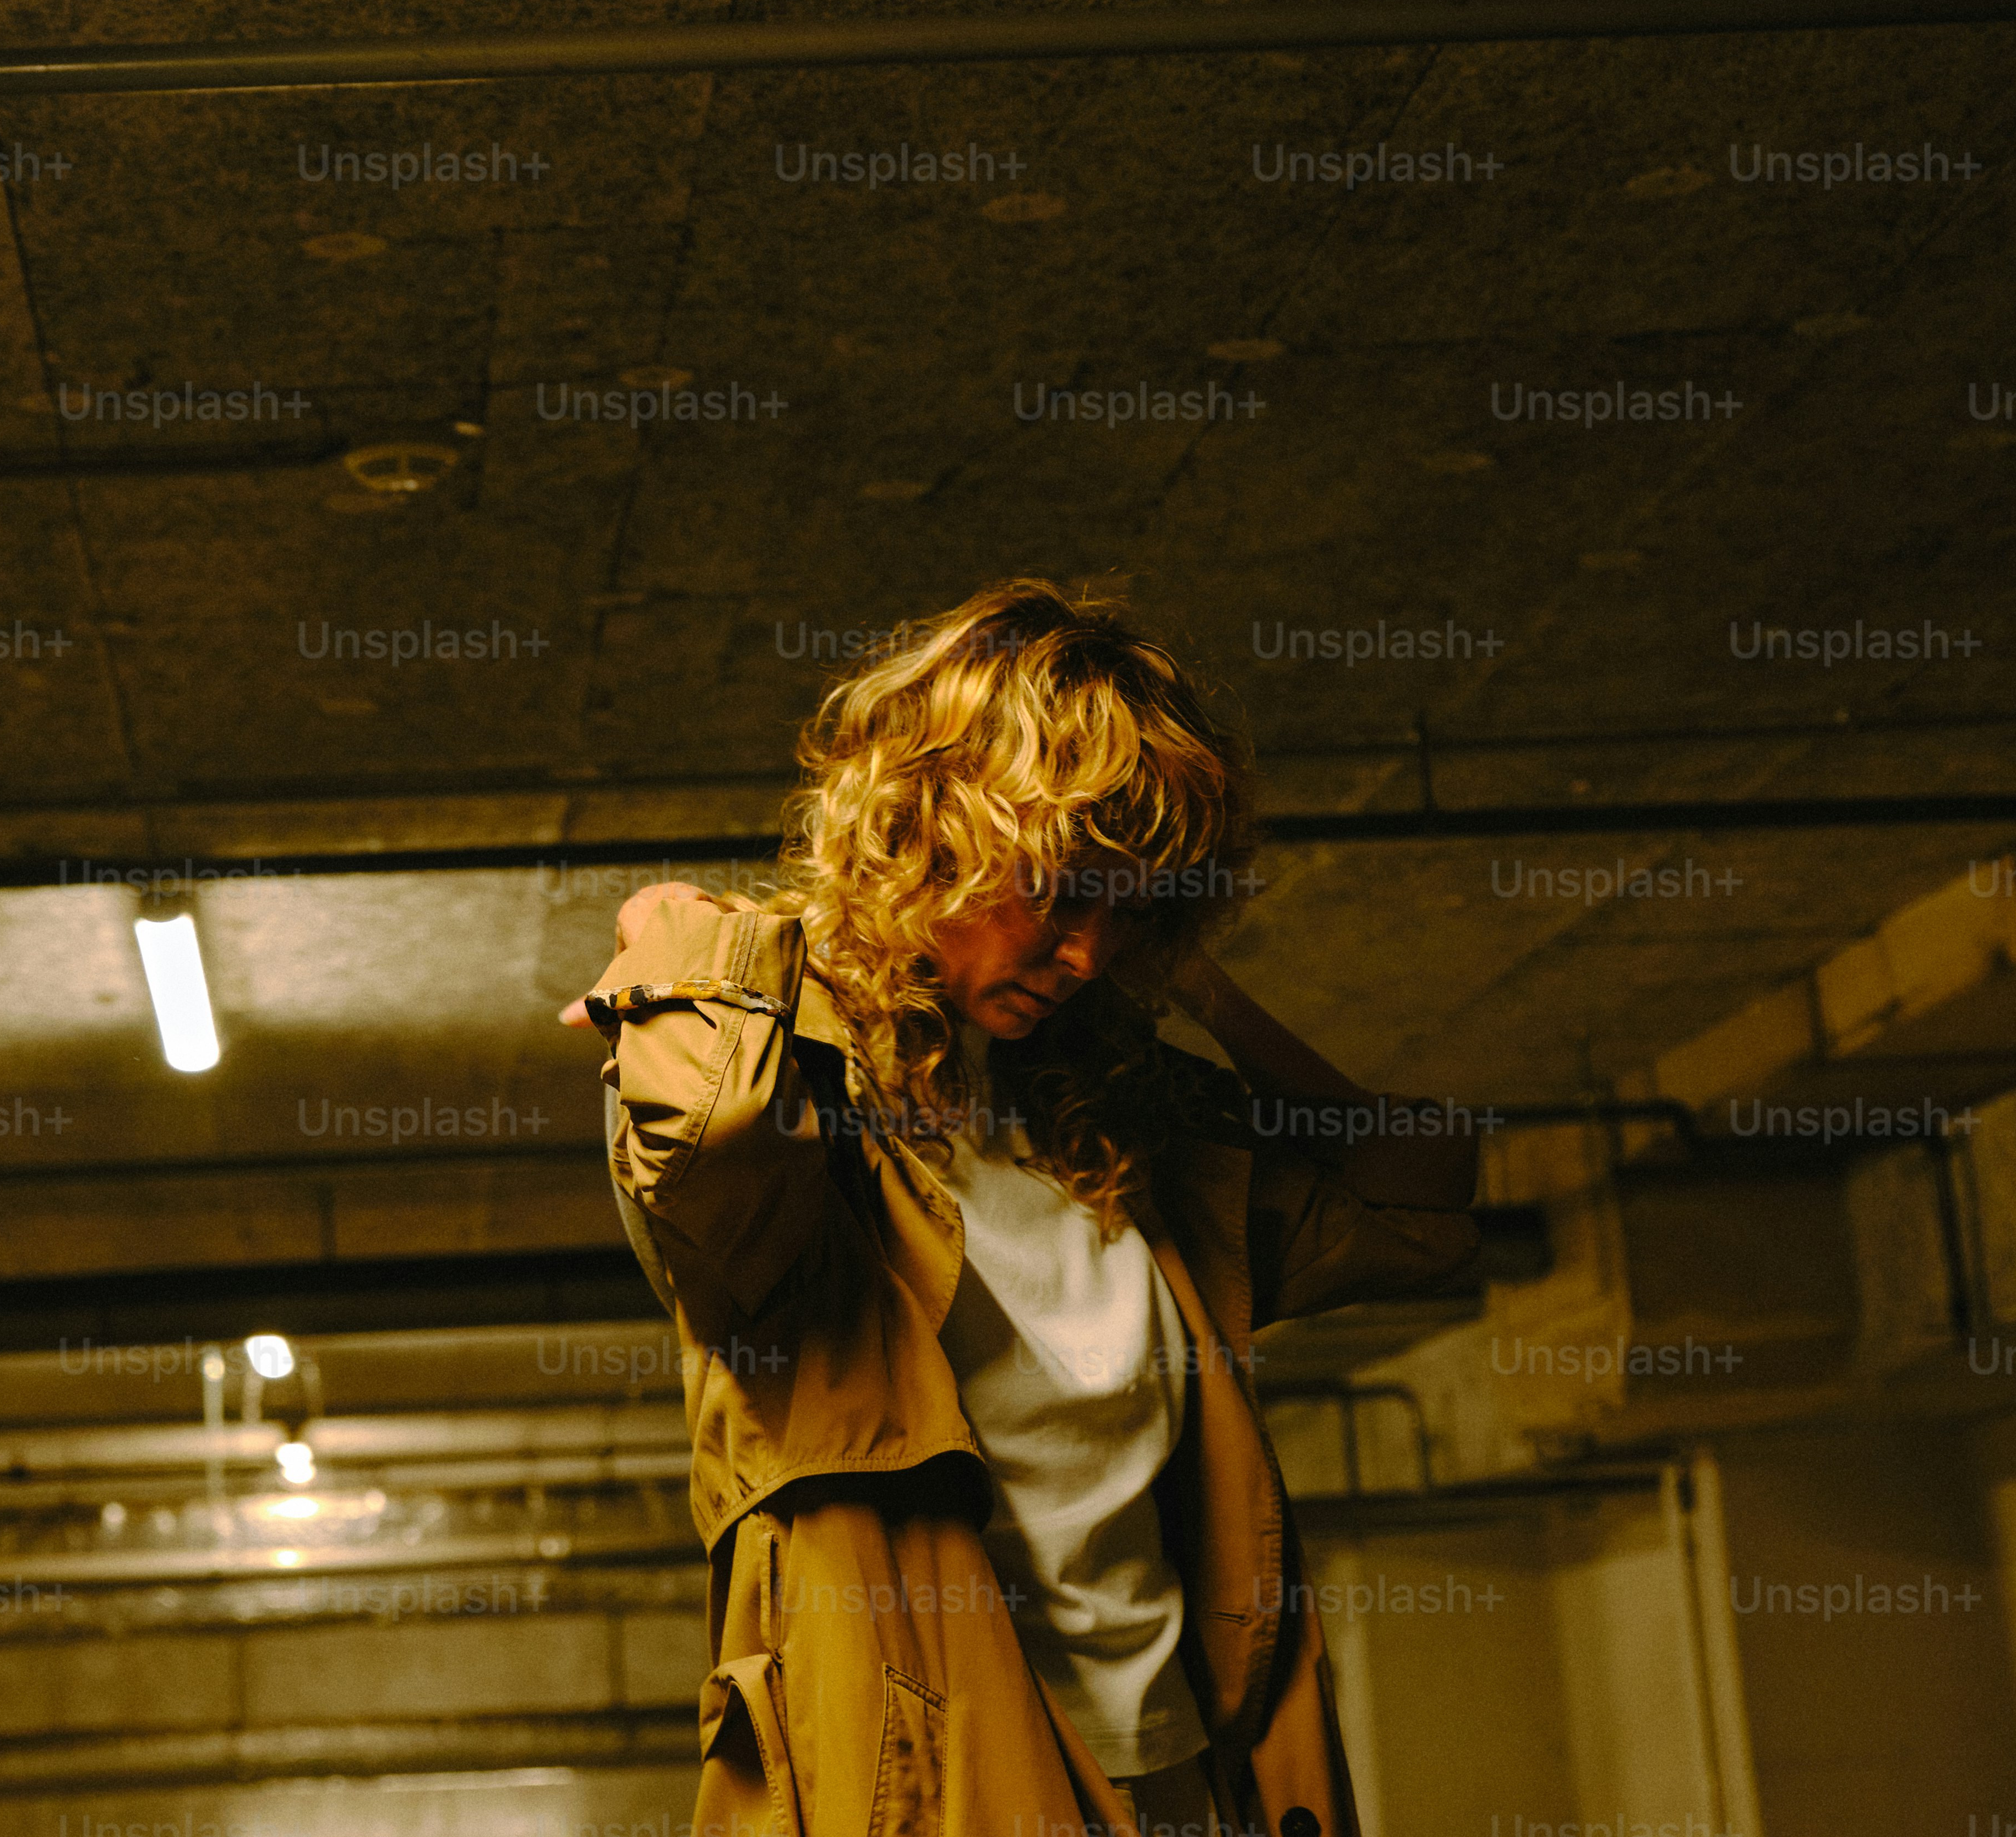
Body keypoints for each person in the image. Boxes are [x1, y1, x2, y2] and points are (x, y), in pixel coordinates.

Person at [556, 578, 1483, 1836]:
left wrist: (1193, 979)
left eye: (1130, 908)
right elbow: (708, 1135)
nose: (1088, 954)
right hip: (936, 1792)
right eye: (1058, 890)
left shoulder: (1108, 1120)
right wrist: (672, 930)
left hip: (1182, 1773)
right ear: (929, 833)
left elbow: (1415, 1207)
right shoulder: (791, 1107)